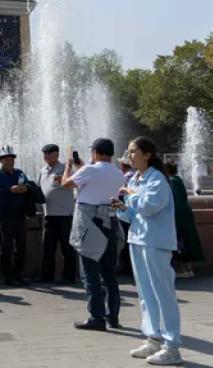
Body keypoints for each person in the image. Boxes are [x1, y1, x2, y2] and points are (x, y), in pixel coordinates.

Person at [116, 137, 183, 366]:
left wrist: (131, 196)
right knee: (145, 294)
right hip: (138, 239)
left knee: (163, 293)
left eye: (133, 151)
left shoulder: (157, 179)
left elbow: (150, 206)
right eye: (128, 151)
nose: (129, 155)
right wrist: (120, 206)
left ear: (147, 155)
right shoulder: (135, 178)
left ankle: (172, 346)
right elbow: (132, 214)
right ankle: (153, 338)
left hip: (156, 241)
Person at [62, 139, 124, 331]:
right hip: (111, 223)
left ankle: (96, 317)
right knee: (110, 275)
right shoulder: (118, 172)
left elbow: (66, 184)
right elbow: (95, 179)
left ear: (95, 152)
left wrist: (68, 166)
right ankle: (113, 317)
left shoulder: (89, 170)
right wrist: (83, 167)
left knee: (90, 274)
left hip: (91, 225)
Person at [0, 144, 32, 286]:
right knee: (6, 246)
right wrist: (9, 190)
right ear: (1, 161)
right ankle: (8, 276)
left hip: (20, 213)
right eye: (6, 159)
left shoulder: (20, 173)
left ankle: (19, 274)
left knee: (21, 245)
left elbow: (28, 187)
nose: (9, 161)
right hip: (5, 214)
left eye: (11, 159)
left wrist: (25, 188)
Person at [35, 144, 76, 284]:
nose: (47, 156)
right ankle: (46, 276)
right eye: (45, 154)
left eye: (50, 153)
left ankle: (69, 276)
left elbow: (74, 183)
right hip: (49, 214)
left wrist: (64, 180)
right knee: (48, 246)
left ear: (57, 154)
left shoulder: (65, 168)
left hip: (65, 214)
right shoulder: (42, 170)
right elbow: (38, 188)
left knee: (67, 247)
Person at [162, 163, 204, 278]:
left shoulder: (172, 182)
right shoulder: (178, 180)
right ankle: (188, 269)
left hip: (178, 216)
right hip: (185, 215)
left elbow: (174, 201)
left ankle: (183, 269)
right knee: (187, 241)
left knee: (181, 242)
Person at [117, 154, 137, 275]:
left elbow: (121, 195)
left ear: (123, 165)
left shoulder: (126, 176)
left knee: (124, 238)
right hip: (133, 211)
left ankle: (126, 266)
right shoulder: (135, 174)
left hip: (126, 211)